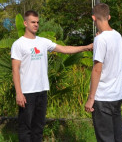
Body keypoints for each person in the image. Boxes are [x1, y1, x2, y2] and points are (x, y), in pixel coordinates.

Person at [11, 10, 93, 142]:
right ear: (25, 23)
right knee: (25, 127)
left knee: (38, 127)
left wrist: (86, 47)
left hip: (42, 90)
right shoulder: (18, 44)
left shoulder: (43, 42)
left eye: (37, 22)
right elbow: (15, 70)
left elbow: (65, 49)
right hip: (26, 92)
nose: (36, 25)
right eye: (33, 22)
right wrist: (18, 93)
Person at [84, 3, 122, 142]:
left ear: (93, 18)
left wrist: (90, 99)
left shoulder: (100, 40)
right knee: (117, 137)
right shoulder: (118, 36)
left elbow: (97, 69)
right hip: (116, 95)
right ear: (109, 17)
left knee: (105, 139)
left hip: (102, 98)